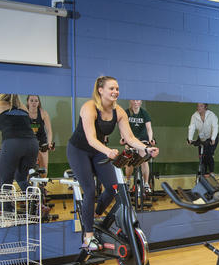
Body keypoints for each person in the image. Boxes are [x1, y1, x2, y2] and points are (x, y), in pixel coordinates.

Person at [67, 76, 158, 251]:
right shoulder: (89, 108)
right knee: (90, 190)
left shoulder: (119, 112)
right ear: (100, 90)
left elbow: (130, 138)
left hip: (98, 151)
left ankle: (95, 214)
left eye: (117, 88)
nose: (115, 91)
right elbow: (91, 139)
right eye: (111, 88)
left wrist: (146, 149)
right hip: (78, 150)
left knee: (113, 186)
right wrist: (108, 151)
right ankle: (88, 237)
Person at [123, 99, 154, 193]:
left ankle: (146, 184)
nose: (136, 102)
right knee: (129, 160)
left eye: (138, 100)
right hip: (130, 139)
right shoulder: (126, 112)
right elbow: (122, 127)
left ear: (140, 102)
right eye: (134, 100)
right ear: (130, 102)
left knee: (144, 160)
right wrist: (123, 138)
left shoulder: (144, 113)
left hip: (142, 140)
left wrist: (150, 139)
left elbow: (149, 128)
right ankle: (128, 181)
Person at [187, 103, 218, 176]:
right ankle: (203, 173)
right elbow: (192, 127)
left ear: (205, 107)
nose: (199, 108)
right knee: (201, 156)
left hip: (212, 137)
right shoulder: (194, 116)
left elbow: (215, 127)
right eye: (198, 106)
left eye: (201, 106)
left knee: (208, 154)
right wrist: (190, 139)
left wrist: (213, 138)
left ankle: (211, 172)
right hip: (202, 137)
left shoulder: (211, 115)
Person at [26, 95, 54, 172]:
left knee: (44, 168)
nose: (34, 103)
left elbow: (49, 131)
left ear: (39, 102)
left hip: (42, 141)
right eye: (31, 101)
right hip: (28, 141)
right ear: (27, 102)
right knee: (27, 167)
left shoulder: (43, 113)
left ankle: (43, 182)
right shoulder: (24, 113)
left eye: (36, 101)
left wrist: (49, 143)